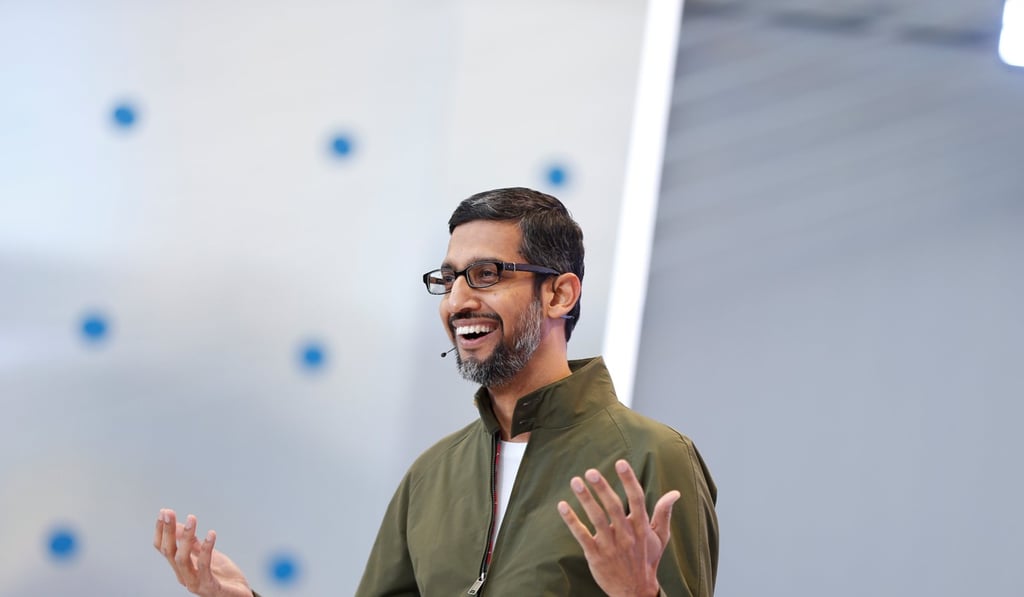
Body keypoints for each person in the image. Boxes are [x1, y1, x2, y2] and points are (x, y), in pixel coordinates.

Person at [154, 187, 718, 596]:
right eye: (449, 280)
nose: (457, 302)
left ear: (559, 295)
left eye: (487, 275)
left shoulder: (651, 457)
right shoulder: (432, 475)